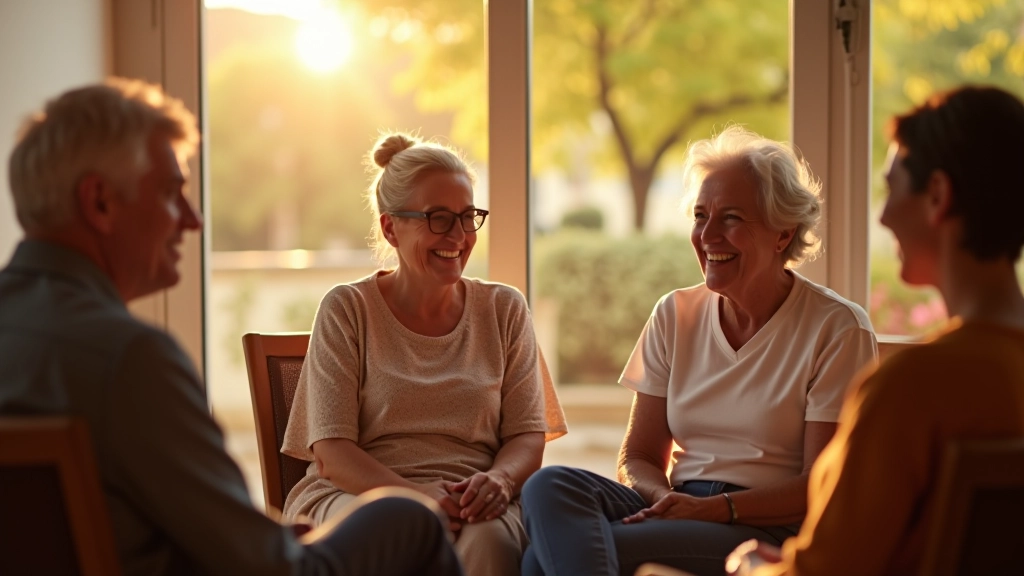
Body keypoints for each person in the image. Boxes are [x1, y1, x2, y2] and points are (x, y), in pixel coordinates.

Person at [0, 78, 463, 576]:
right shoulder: (130, 360)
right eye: (171, 192)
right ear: (100, 203)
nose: (192, 220)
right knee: (407, 517)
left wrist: (260, 537)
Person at [519, 126, 878, 576]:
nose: (707, 235)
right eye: (700, 215)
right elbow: (640, 456)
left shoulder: (837, 327)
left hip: (765, 526)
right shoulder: (675, 313)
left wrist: (716, 509)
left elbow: (819, 486)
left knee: (541, 559)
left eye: (730, 218)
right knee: (547, 486)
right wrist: (665, 499)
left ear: (782, 234)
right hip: (680, 502)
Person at [726, 86, 1024, 575]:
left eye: (890, 189)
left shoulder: (913, 388)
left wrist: (752, 567)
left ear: (937, 197)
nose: (882, 216)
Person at [280, 132, 568, 576]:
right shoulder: (347, 309)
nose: (459, 235)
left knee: (490, 541)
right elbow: (333, 454)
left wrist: (499, 480)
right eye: (438, 218)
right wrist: (414, 499)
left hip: (474, 503)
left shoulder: (504, 309)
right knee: (400, 530)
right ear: (390, 227)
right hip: (361, 497)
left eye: (468, 216)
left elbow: (528, 437)